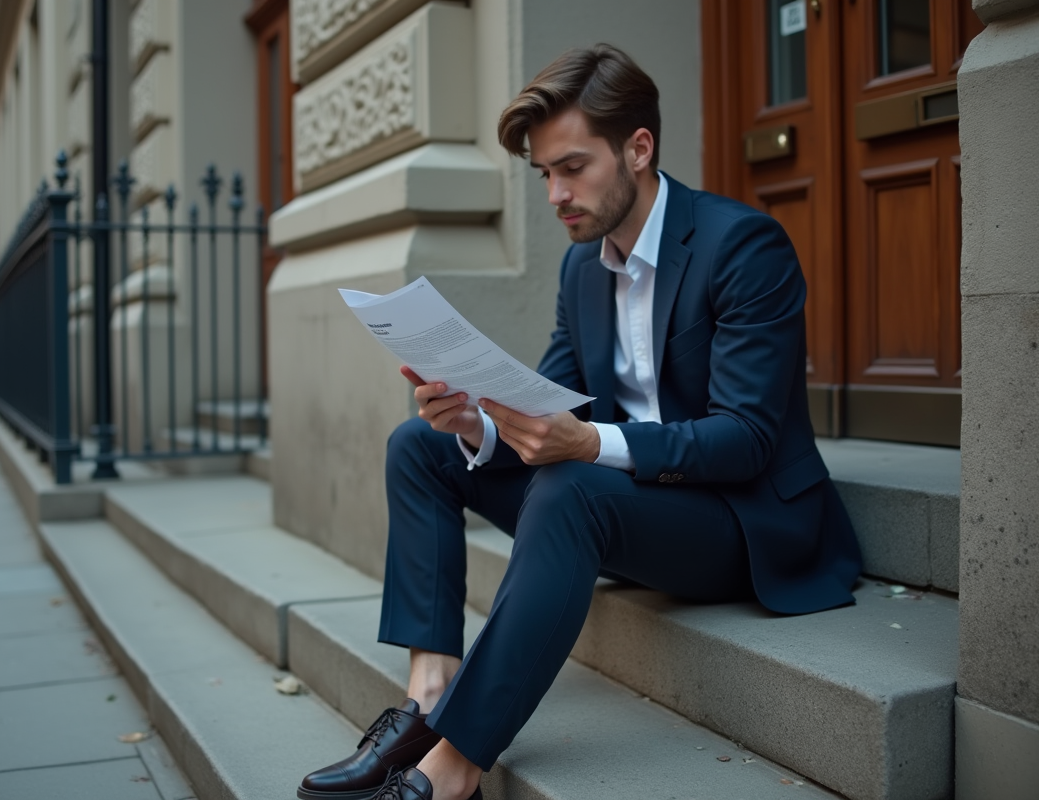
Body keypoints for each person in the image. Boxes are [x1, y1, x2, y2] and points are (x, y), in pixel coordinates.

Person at [297, 44, 862, 800]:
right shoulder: (581, 266)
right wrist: (476, 422)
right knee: (419, 446)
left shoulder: (742, 247)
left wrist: (593, 443)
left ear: (638, 148)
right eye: (544, 175)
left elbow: (748, 439)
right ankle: (428, 700)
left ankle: (453, 771)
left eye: (573, 167)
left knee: (571, 486)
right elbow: (552, 395)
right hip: (638, 508)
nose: (556, 193)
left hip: (743, 522)